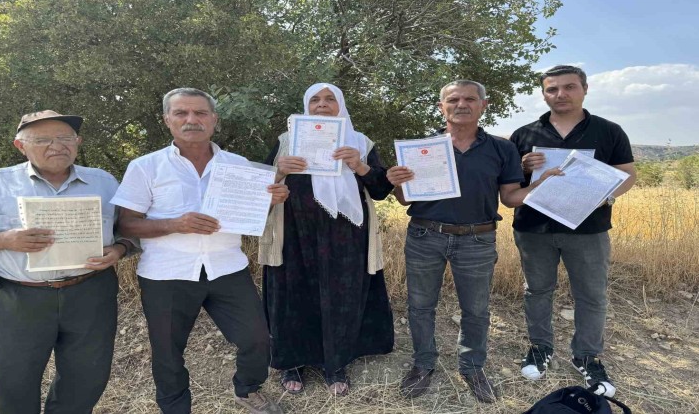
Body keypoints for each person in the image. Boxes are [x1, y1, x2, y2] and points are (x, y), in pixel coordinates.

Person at [111, 88, 288, 414]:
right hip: (167, 273)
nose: (191, 119)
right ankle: (175, 407)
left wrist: (271, 201)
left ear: (214, 120)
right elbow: (126, 224)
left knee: (257, 339)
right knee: (167, 351)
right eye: (181, 113)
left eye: (200, 113)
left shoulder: (239, 166)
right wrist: (175, 224)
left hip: (227, 268)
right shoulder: (145, 167)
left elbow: (251, 217)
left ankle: (247, 389)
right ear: (167, 120)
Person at [0, 110, 131, 414]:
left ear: (78, 142)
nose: (56, 146)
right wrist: (1, 239)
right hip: (18, 297)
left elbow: (129, 228)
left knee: (87, 377)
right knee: (12, 383)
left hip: (90, 293)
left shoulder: (104, 182)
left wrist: (120, 249)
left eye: (65, 137)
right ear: (21, 146)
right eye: (42, 140)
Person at [387, 80, 561, 403]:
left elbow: (510, 198)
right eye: (453, 99)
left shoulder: (502, 149)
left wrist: (540, 185)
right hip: (425, 235)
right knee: (420, 306)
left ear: (484, 105)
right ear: (441, 107)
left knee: (476, 310)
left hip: (477, 239)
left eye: (470, 99)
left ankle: (472, 368)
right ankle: (423, 364)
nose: (461, 104)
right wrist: (397, 183)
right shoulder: (421, 149)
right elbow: (404, 199)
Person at [259, 83, 395, 396]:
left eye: (330, 99)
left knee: (341, 297)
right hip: (294, 235)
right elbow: (258, 186)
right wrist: (278, 171)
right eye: (315, 100)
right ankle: (293, 362)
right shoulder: (286, 140)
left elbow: (380, 190)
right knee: (294, 294)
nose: (322, 105)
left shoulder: (360, 142)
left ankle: (336, 363)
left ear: (340, 105)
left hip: (346, 238)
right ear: (306, 106)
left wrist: (359, 166)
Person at [509, 65, 636, 397]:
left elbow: (627, 174)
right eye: (552, 89)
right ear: (544, 94)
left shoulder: (609, 131)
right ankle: (540, 348)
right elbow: (510, 184)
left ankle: (587, 357)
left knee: (591, 295)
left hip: (588, 229)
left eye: (569, 87)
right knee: (537, 291)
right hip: (533, 228)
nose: (560, 94)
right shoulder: (524, 134)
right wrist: (522, 166)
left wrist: (604, 197)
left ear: (584, 89)